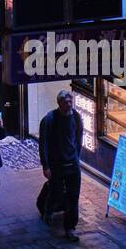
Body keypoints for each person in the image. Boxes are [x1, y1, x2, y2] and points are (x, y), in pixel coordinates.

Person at [39, 89, 84, 241]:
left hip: (72, 163)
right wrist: (45, 166)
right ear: (59, 103)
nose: (69, 104)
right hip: (56, 164)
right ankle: (48, 210)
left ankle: (70, 228)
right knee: (56, 191)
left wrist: (76, 157)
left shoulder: (76, 117)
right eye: (66, 102)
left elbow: (79, 137)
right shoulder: (50, 119)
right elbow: (43, 143)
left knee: (73, 196)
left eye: (70, 101)